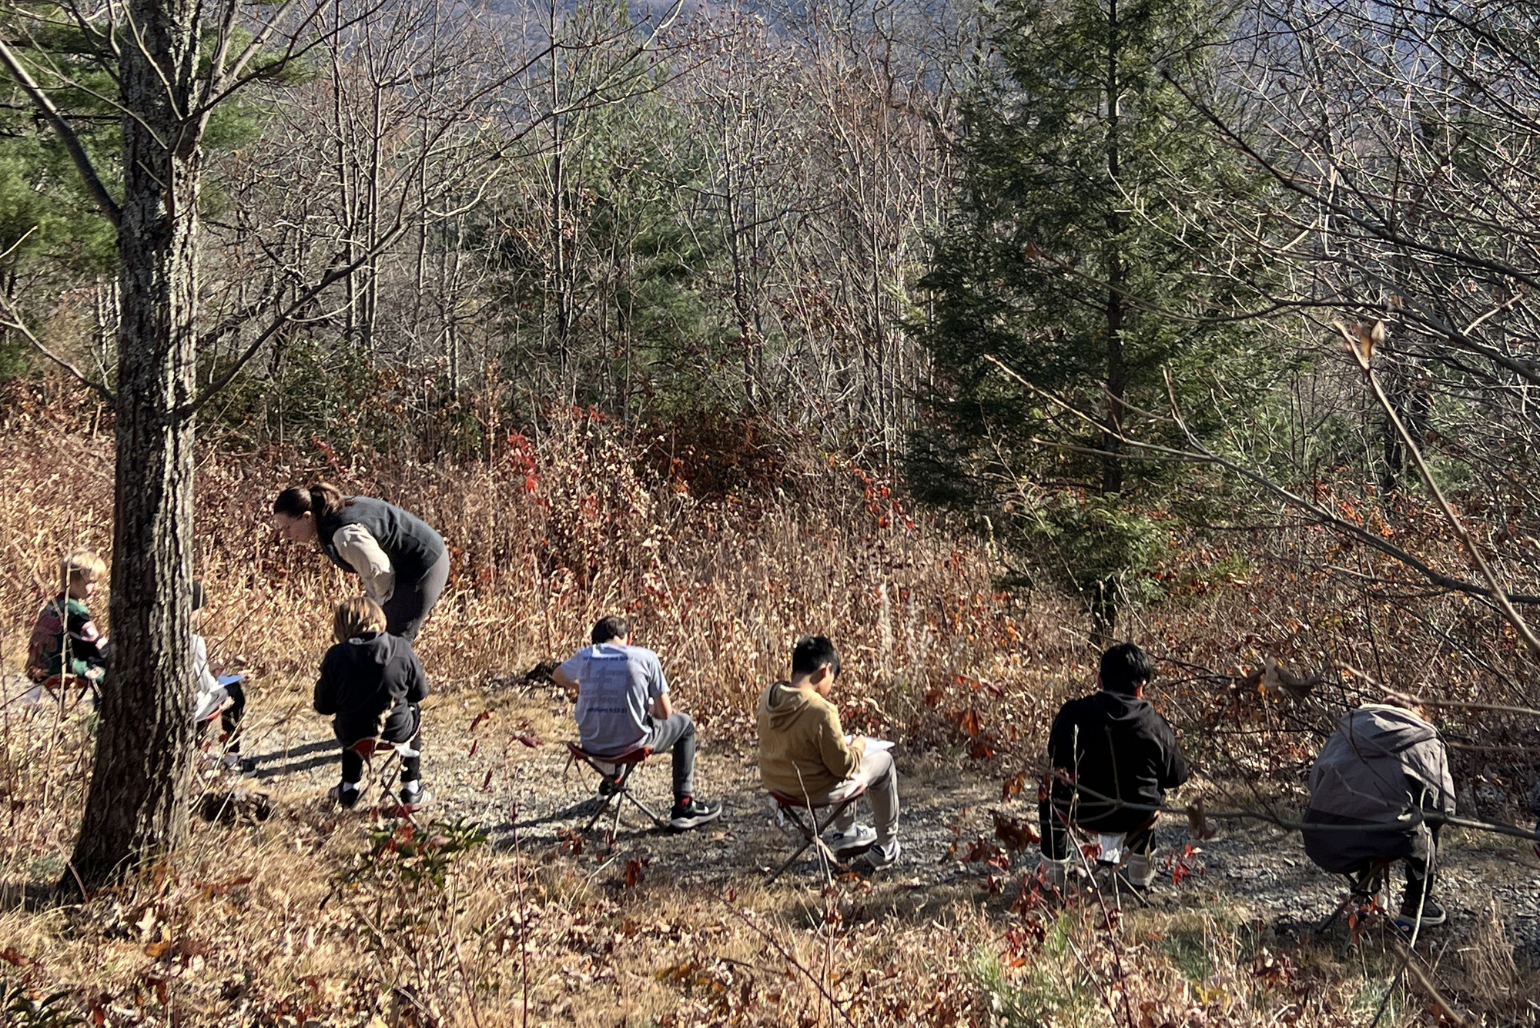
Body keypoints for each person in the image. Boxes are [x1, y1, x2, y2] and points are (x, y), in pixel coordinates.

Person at [1038, 642, 1189, 889]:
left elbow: (1055, 758)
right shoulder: (1155, 724)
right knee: (1154, 792)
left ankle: (1053, 874)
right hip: (1136, 816)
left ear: (1099, 679)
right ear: (1142, 687)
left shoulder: (1072, 713)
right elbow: (1176, 776)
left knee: (1049, 793)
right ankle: (1140, 872)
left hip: (1080, 812)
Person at [554, 615, 721, 831]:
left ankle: (610, 782)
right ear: (629, 638)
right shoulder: (644, 657)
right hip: (631, 745)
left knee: (617, 715)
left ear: (595, 641)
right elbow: (665, 713)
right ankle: (684, 807)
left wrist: (582, 687)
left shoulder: (586, 656)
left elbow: (557, 675)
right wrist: (648, 706)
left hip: (592, 746)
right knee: (685, 725)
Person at [1302, 699, 1455, 930]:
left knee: (1368, 813)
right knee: (1427, 822)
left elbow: (1315, 783)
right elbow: (1444, 806)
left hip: (1324, 837)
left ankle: (1368, 894)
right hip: (1389, 837)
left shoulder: (1345, 732)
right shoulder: (1425, 740)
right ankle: (1416, 905)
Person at [757, 635, 901, 868]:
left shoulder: (769, 695)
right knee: (883, 762)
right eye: (833, 678)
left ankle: (847, 832)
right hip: (812, 789)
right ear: (825, 671)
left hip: (777, 785)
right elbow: (843, 766)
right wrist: (859, 745)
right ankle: (886, 845)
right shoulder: (820, 710)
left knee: (830, 752)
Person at [273, 483, 448, 642]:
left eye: (287, 527)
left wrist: (372, 611)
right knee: (375, 635)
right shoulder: (326, 513)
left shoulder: (344, 534)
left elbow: (380, 573)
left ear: (306, 516)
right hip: (402, 563)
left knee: (394, 638)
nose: (286, 536)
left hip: (424, 561)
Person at [313, 597, 431, 808]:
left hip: (352, 737)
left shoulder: (335, 656)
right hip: (395, 732)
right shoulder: (401, 648)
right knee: (414, 709)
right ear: (379, 619)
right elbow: (420, 692)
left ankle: (349, 786)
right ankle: (411, 786)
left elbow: (323, 706)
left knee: (349, 715)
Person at [26, 549, 110, 706]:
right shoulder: (76, 611)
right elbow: (96, 642)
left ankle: (30, 706)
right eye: (91, 582)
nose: (96, 588)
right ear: (73, 580)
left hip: (36, 664)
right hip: (60, 667)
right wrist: (112, 649)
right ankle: (101, 718)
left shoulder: (52, 605)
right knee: (108, 675)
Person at [190, 580, 246, 771]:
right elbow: (205, 686)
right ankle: (232, 756)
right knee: (234, 690)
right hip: (192, 705)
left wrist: (209, 667)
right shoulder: (194, 641)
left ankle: (199, 750)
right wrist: (230, 677)